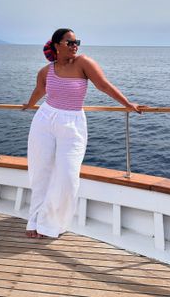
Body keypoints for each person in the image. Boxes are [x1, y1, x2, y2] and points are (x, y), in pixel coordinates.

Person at [22, 28, 143, 239]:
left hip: (73, 122)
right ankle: (35, 219)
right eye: (70, 42)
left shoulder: (84, 63)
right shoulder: (45, 71)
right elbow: (39, 92)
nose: (75, 45)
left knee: (67, 176)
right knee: (40, 172)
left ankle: (50, 223)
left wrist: (127, 103)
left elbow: (103, 85)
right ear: (57, 45)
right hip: (44, 120)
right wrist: (28, 105)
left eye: (77, 41)